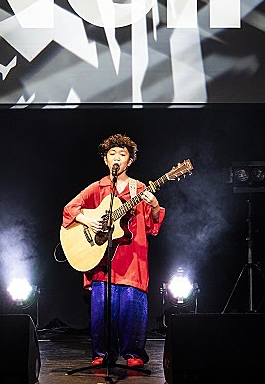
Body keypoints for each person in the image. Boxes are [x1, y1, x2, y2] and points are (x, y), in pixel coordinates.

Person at [62, 133, 165, 369]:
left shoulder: (138, 188)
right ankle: (102, 353)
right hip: (102, 258)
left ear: (130, 160)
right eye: (112, 153)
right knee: (102, 308)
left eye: (122, 154)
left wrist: (155, 206)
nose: (117, 157)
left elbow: (151, 226)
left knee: (132, 305)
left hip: (131, 256)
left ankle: (133, 353)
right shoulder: (98, 187)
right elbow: (70, 209)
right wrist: (89, 221)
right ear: (105, 159)